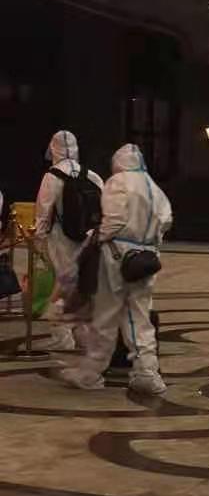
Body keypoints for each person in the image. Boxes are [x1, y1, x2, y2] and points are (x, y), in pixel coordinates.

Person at [62, 144, 172, 395]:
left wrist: (98, 239)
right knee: (139, 317)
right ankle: (147, 373)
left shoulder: (118, 182)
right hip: (146, 257)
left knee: (106, 315)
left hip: (116, 255)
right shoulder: (154, 187)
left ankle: (91, 373)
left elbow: (114, 220)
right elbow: (166, 221)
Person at [34, 130, 103, 352]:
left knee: (62, 286)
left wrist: (39, 243)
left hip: (61, 239)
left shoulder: (52, 177)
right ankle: (83, 335)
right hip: (88, 240)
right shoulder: (91, 175)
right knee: (82, 286)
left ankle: (62, 336)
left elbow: (43, 213)